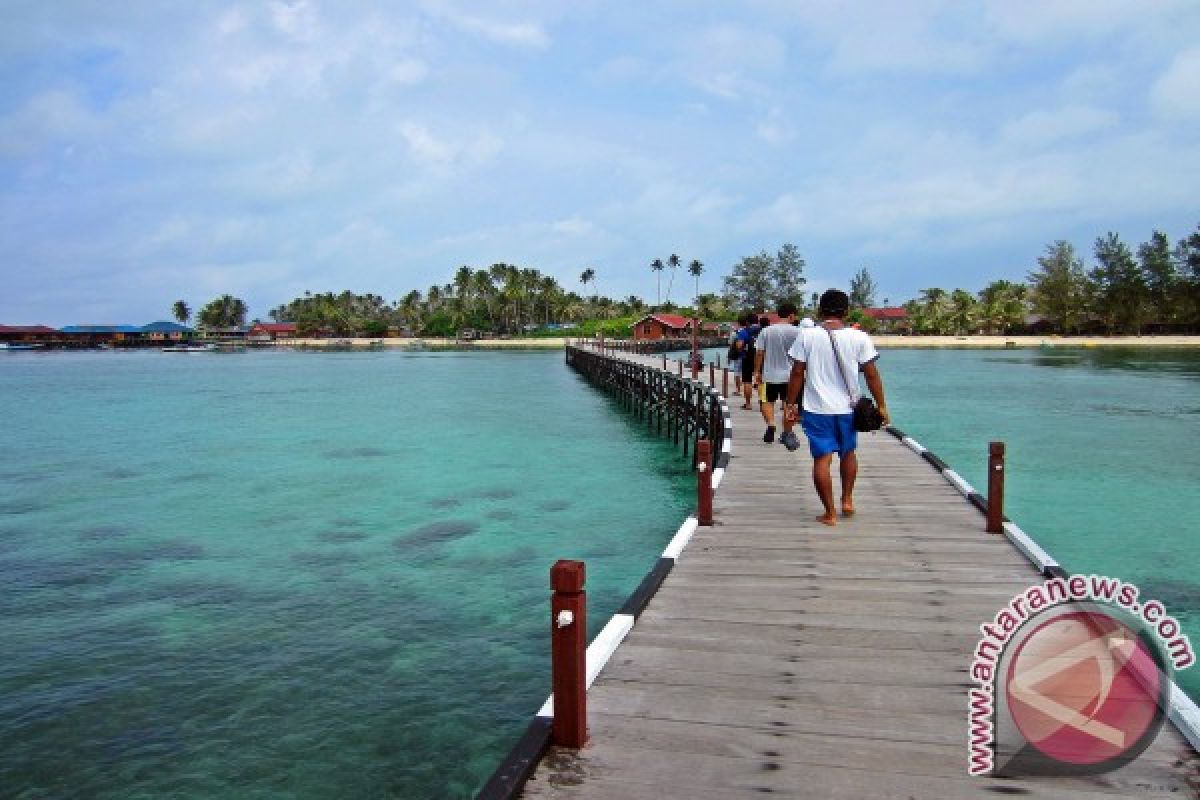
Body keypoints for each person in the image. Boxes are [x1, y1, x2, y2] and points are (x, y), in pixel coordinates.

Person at [784, 289, 890, 526]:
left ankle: (830, 513)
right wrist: (882, 405)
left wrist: (790, 404)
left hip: (817, 408)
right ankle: (847, 500)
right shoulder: (859, 338)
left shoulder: (807, 336)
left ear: (821, 310)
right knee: (848, 453)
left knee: (822, 460)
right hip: (848, 409)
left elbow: (797, 372)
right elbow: (872, 375)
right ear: (847, 311)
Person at [752, 302, 801, 447]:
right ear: (791, 315)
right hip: (791, 377)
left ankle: (771, 424)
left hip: (769, 375)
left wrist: (756, 372)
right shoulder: (798, 332)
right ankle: (787, 431)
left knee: (766, 402)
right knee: (789, 404)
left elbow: (760, 353)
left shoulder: (766, 331)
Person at [734, 313, 760, 410]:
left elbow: (739, 345)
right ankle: (763, 402)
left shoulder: (744, 331)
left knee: (747, 381)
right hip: (761, 358)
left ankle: (748, 404)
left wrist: (740, 350)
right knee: (761, 380)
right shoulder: (764, 331)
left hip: (747, 358)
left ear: (747, 322)